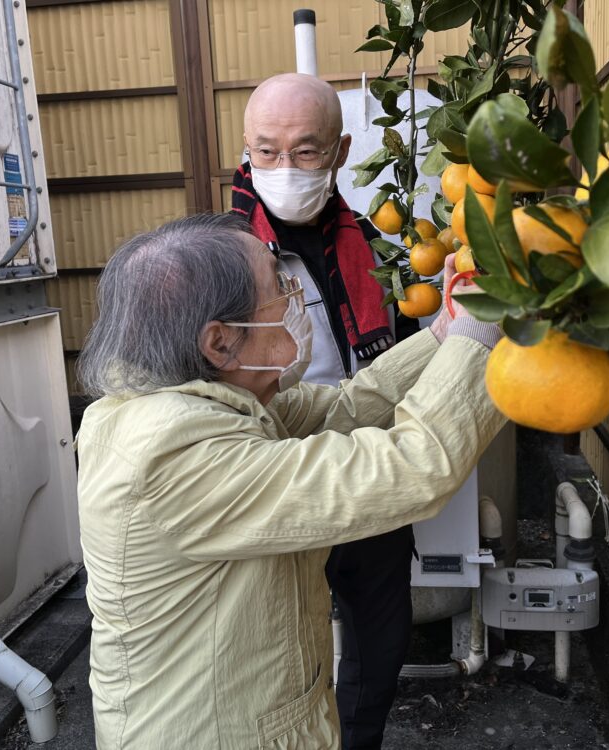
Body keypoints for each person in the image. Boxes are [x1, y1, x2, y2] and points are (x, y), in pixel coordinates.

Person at [75, 213, 504, 748]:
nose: (294, 296)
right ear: (220, 342)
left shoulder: (196, 405)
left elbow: (349, 406)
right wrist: (477, 339)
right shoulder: (174, 455)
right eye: (279, 286)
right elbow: (411, 468)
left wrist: (442, 335)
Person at [231, 73, 421, 748]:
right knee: (277, 640)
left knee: (380, 632)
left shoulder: (374, 242)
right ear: (246, 150)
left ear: (339, 152)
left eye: (305, 152)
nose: (283, 168)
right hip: (271, 473)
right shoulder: (220, 256)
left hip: (366, 464)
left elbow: (408, 340)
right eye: (267, 150)